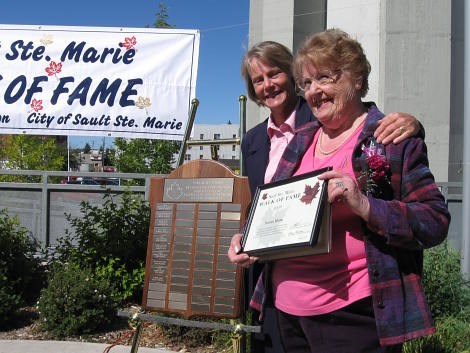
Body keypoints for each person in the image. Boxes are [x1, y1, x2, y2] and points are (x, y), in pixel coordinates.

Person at [230, 30, 450, 353]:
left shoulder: (390, 139)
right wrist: (246, 238)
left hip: (352, 316)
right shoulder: (298, 141)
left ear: (358, 78)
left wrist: (364, 204)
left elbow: (434, 221)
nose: (314, 91)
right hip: (284, 311)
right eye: (307, 83)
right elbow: (273, 212)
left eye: (325, 78)